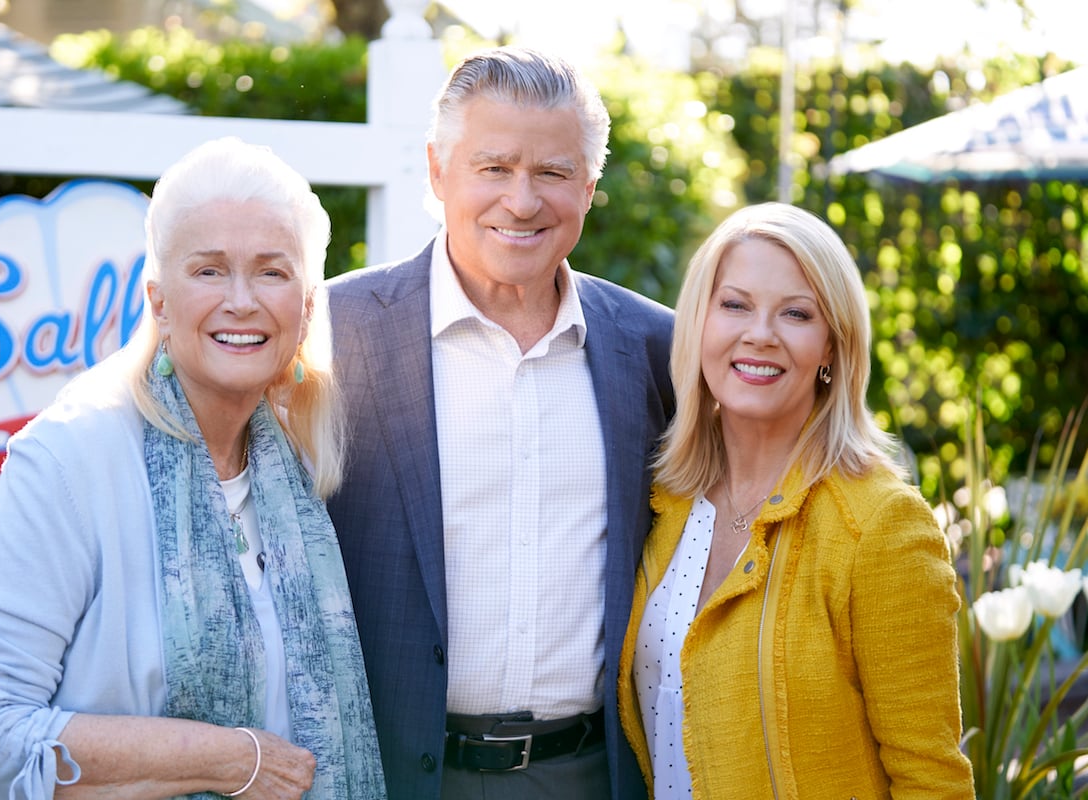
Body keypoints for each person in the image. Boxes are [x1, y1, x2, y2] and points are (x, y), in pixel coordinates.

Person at [0, 137, 386, 800]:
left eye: (271, 271)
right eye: (208, 270)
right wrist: (230, 760)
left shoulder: (299, 464)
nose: (240, 300)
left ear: (307, 306)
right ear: (159, 301)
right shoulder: (70, 457)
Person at [325, 46, 674, 800]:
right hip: (391, 774)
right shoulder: (334, 331)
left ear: (588, 186)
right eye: (494, 168)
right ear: (437, 170)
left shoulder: (655, 348)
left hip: (589, 773)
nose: (522, 202)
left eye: (551, 172)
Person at [618, 202, 975, 798]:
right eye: (734, 304)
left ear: (833, 347)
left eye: (796, 313)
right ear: (698, 323)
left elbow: (931, 779)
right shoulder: (667, 502)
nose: (760, 333)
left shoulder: (882, 526)